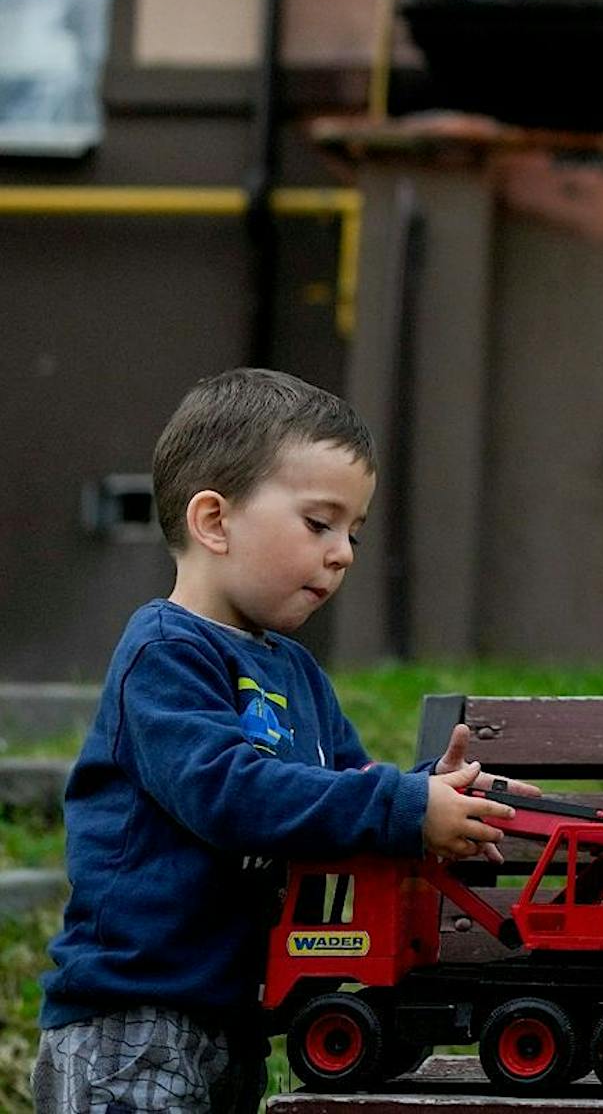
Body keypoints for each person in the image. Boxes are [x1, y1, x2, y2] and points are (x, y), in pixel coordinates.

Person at [32, 367, 529, 1114]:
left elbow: (346, 788)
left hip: (238, 1017)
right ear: (214, 521)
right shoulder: (165, 654)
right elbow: (230, 794)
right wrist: (400, 804)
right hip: (134, 1023)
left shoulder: (294, 671)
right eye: (319, 523)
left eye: (353, 533)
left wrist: (437, 796)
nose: (343, 554)